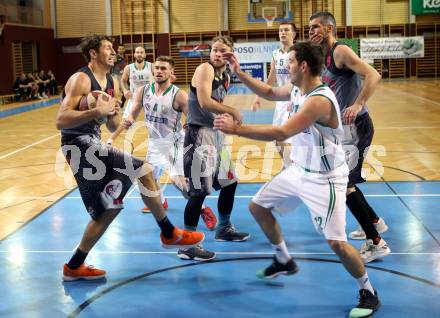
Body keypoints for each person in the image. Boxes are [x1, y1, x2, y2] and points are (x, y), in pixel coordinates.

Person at [215, 41, 380, 317]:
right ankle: (283, 259)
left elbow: (282, 131)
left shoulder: (319, 100)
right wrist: (239, 73)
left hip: (325, 179)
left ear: (303, 66)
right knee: (257, 207)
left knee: (337, 243)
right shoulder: (296, 89)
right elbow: (268, 91)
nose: (286, 66)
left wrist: (237, 130)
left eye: (290, 62)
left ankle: (368, 291)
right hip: (299, 170)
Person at [55, 35, 204, 281]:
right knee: (143, 169)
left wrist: (113, 113)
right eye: (107, 48)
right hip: (77, 143)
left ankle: (74, 265)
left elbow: (110, 122)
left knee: (110, 208)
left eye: (113, 49)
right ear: (93, 53)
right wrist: (97, 110)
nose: (113, 52)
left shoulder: (111, 80)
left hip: (92, 142)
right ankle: (168, 233)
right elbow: (60, 121)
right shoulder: (80, 78)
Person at [309, 11, 390, 263]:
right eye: (309, 28)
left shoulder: (340, 51)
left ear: (330, 28)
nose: (311, 31)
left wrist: (357, 104)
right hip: (341, 130)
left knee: (344, 184)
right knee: (346, 182)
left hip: (357, 126)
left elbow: (373, 75)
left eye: (315, 27)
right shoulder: (321, 55)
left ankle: (376, 243)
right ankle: (375, 222)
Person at [121, 55, 217, 230]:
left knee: (179, 183)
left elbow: (194, 119)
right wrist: (128, 120)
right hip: (154, 143)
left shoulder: (179, 95)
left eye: (164, 68)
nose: (159, 71)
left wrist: (192, 131)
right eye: (157, 68)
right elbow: (133, 113)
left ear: (172, 73)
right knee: (148, 178)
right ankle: (162, 201)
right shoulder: (143, 91)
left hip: (174, 144)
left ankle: (203, 209)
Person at [178, 35, 250, 261]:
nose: (217, 54)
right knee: (199, 191)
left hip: (215, 134)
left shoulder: (226, 75)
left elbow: (214, 107)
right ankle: (188, 244)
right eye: (215, 50)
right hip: (199, 134)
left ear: (230, 54)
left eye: (223, 51)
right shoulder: (204, 69)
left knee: (230, 181)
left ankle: (224, 228)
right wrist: (233, 112)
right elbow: (205, 102)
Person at [251, 22, 297, 167]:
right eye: (280, 30)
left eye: (286, 30)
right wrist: (258, 97)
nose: (283, 33)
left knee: (286, 137)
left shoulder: (299, 52)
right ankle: (287, 165)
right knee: (275, 138)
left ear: (293, 34)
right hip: (280, 101)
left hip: (294, 100)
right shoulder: (276, 54)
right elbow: (271, 78)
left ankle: (292, 170)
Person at [106, 46, 153, 146]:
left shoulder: (151, 66)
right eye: (137, 52)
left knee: (154, 120)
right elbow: (123, 81)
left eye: (141, 52)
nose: (139, 54)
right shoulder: (129, 68)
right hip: (135, 98)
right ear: (134, 54)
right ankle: (110, 140)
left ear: (144, 55)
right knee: (126, 121)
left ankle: (156, 142)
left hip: (149, 98)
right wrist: (125, 90)